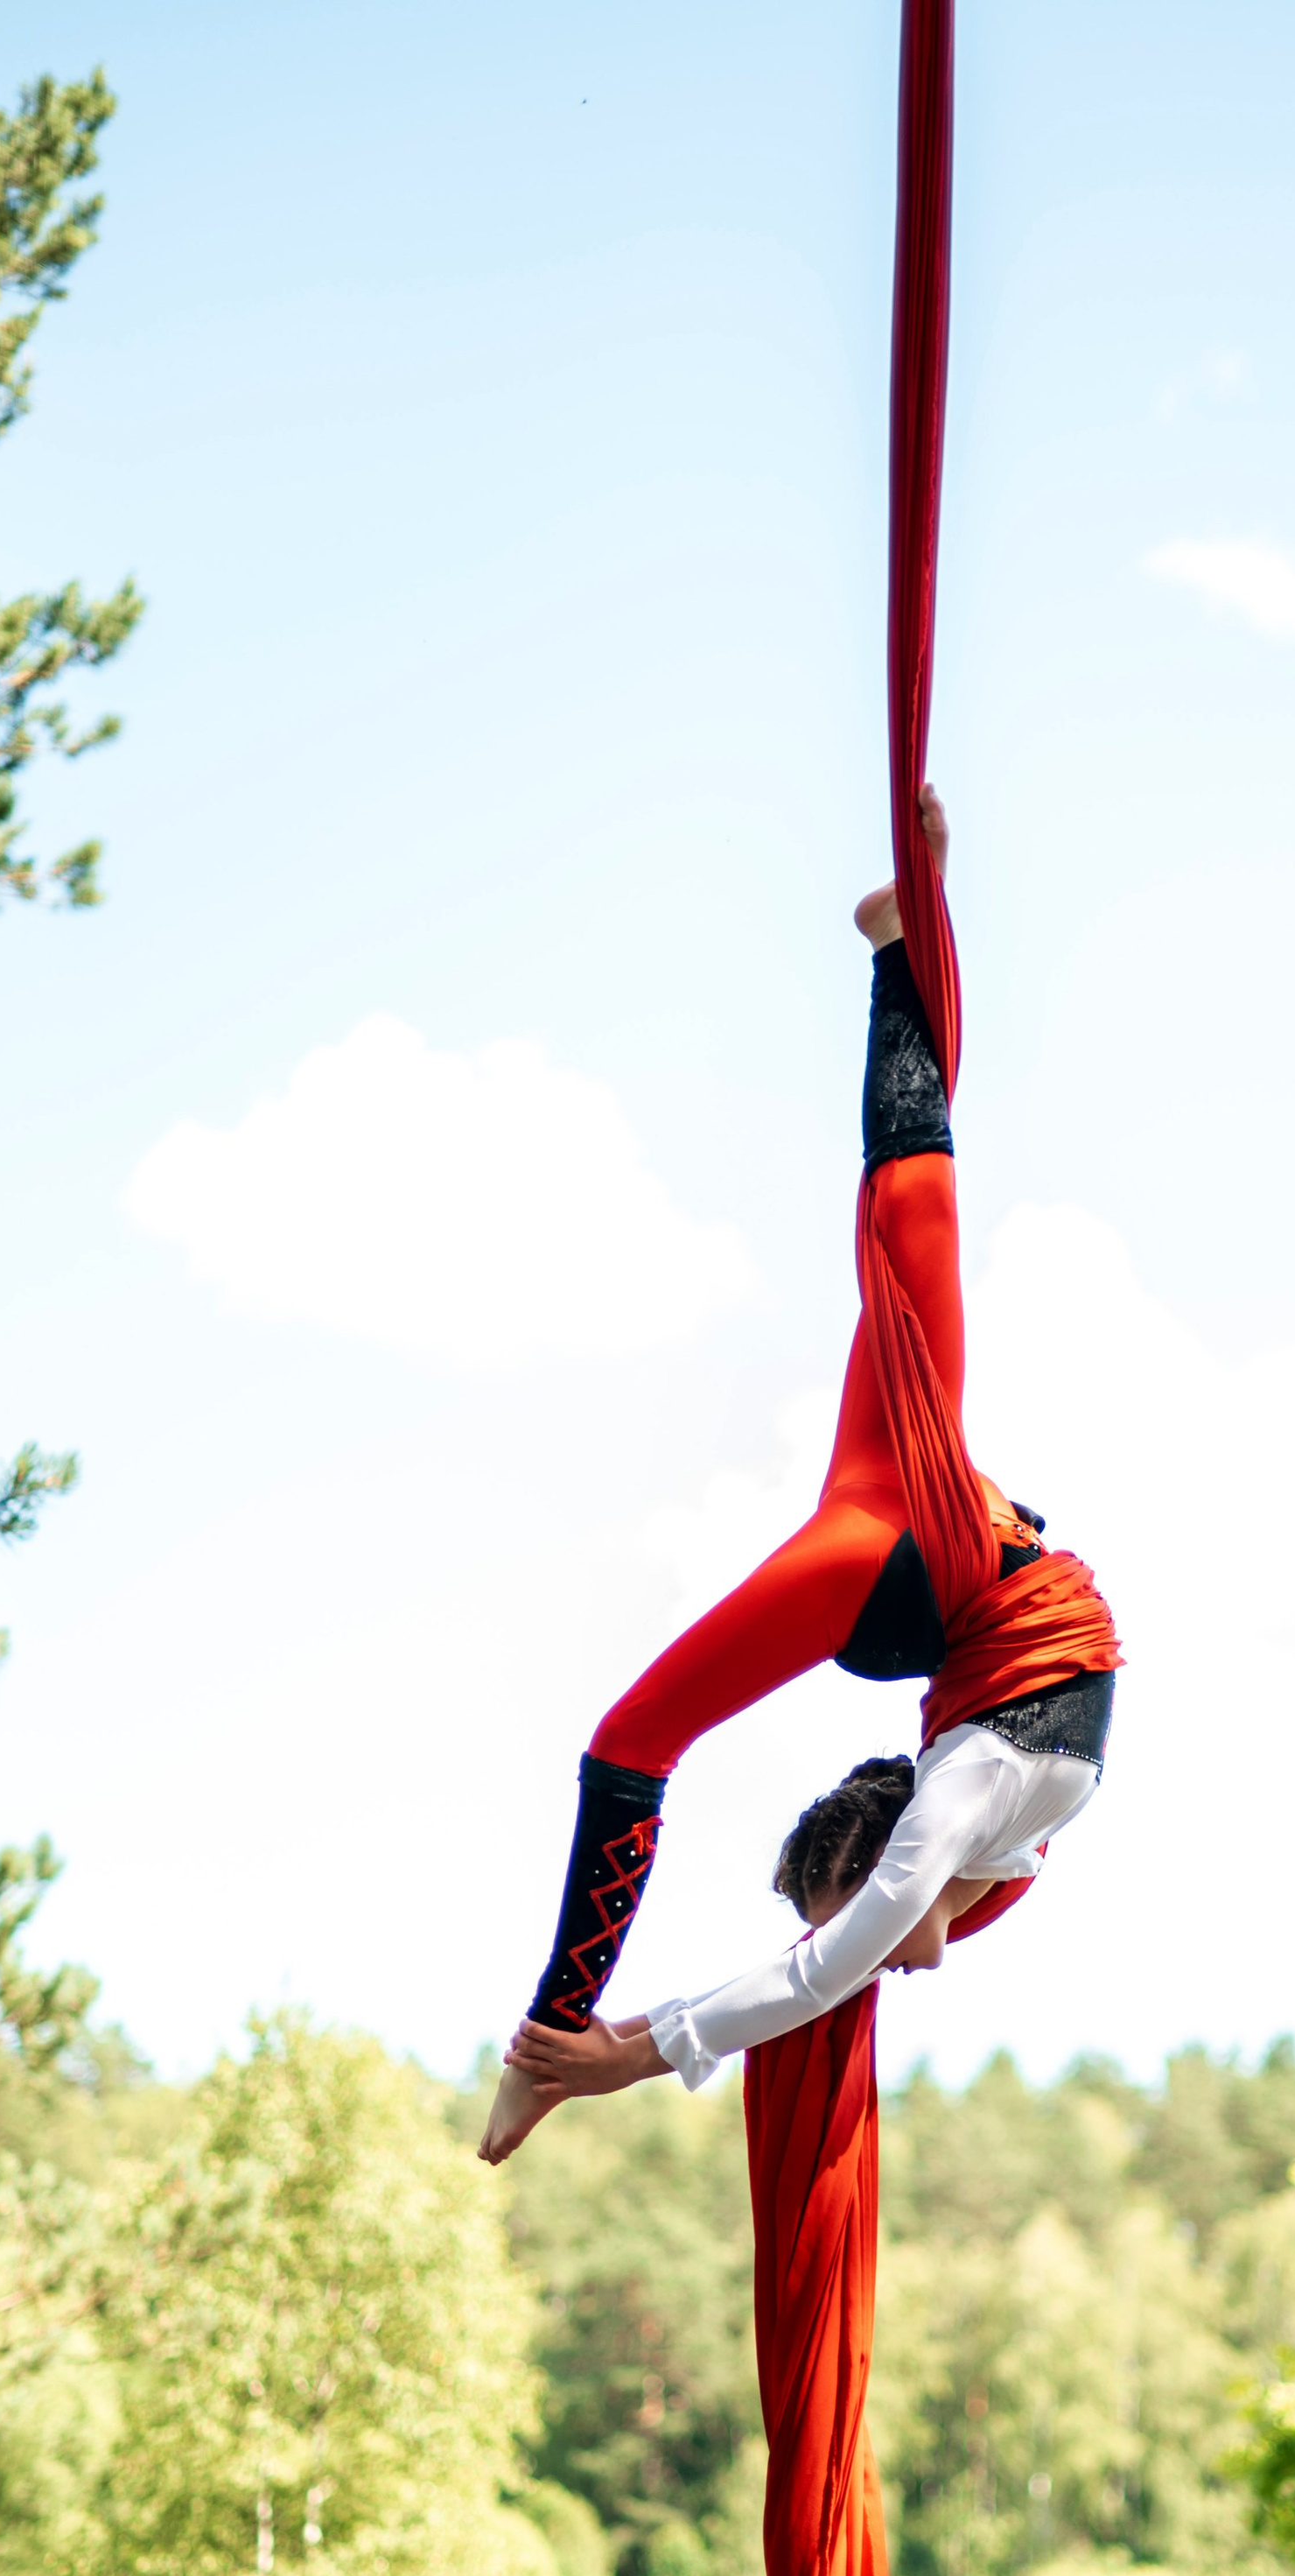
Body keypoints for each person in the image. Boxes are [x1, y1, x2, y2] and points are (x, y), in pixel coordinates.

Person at [480, 793, 1119, 2160]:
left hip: (951, 1563)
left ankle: (906, 944)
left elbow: (855, 1958)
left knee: (908, 1223)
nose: (877, 1947)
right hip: (922, 1560)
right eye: (854, 1908)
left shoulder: (996, 1851)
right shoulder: (958, 1824)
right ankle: (542, 2041)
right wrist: (604, 2057)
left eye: (848, 1916)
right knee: (628, 1744)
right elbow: (829, 1973)